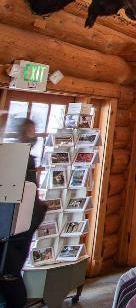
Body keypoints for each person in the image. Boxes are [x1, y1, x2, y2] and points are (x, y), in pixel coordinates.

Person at [0, 117, 48, 308]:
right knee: (10, 277)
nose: (34, 137)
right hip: (14, 229)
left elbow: (28, 200)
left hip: (16, 230)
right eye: (31, 132)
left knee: (10, 276)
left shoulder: (22, 160)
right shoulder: (17, 159)